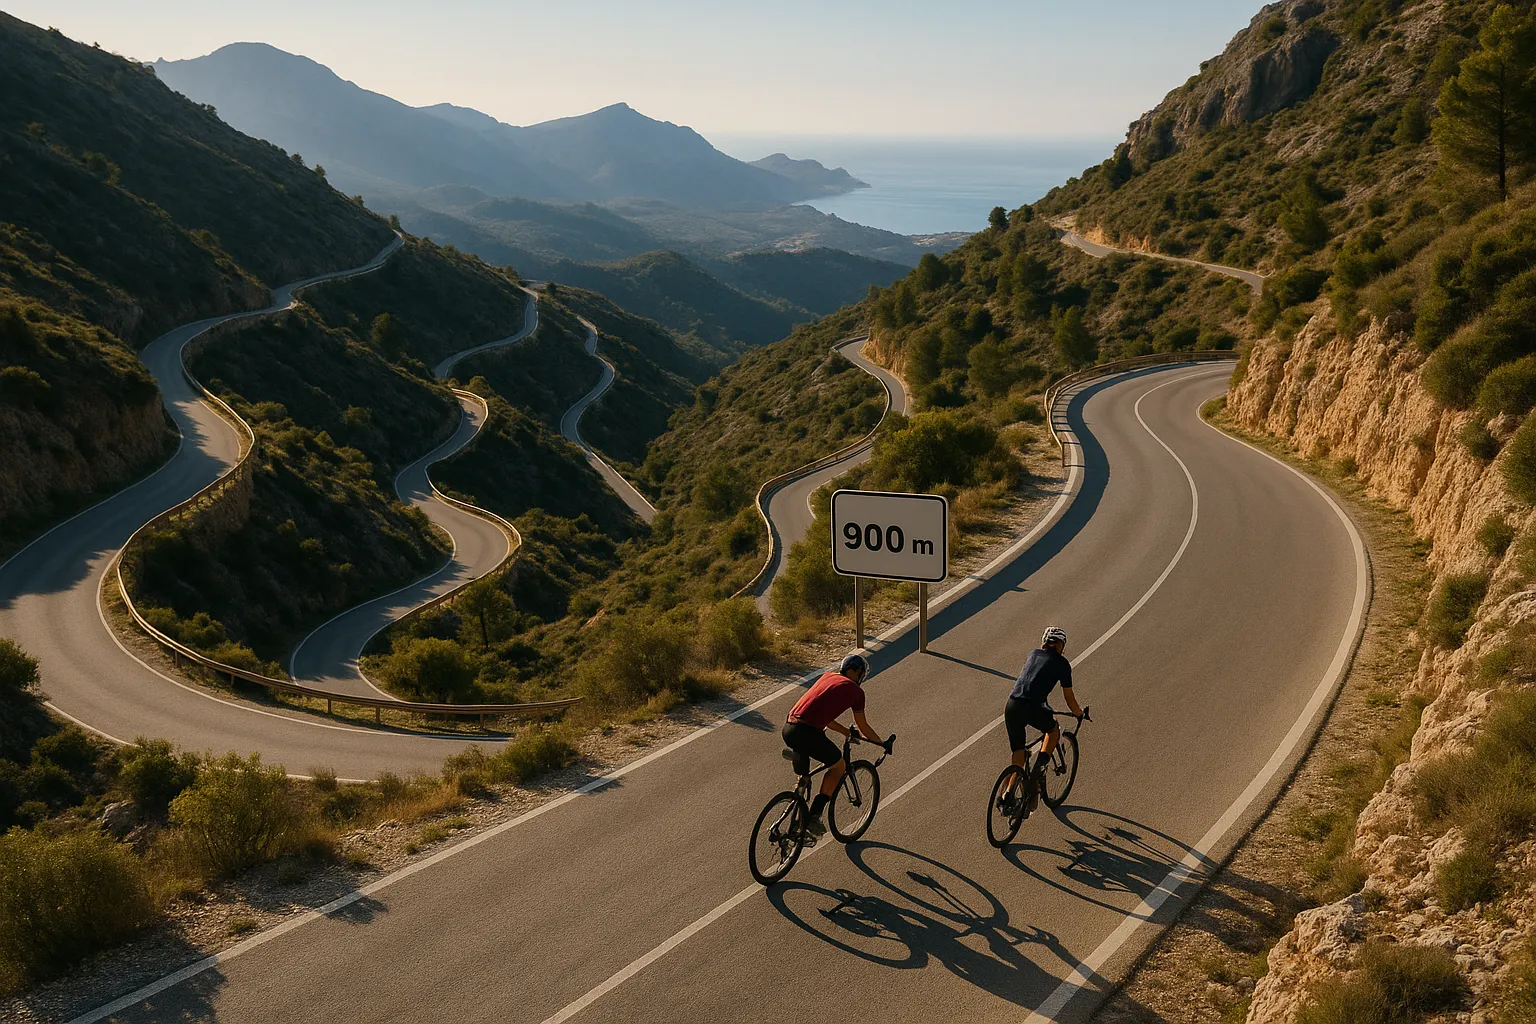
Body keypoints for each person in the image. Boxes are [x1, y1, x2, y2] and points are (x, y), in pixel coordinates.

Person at [783, 653, 891, 840]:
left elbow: (827, 719)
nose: (860, 679)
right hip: (807, 733)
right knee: (839, 766)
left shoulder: (827, 676)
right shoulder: (856, 692)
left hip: (789, 729)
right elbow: (863, 725)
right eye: (860, 675)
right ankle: (813, 816)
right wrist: (881, 743)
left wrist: (847, 732)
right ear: (855, 671)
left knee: (804, 775)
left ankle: (796, 807)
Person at [1004, 626, 1086, 814]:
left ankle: (1007, 796)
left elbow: (1033, 680)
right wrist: (1079, 713)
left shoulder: (1033, 654)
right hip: (1032, 706)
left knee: (1018, 754)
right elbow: (1069, 697)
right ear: (1061, 645)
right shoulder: (1063, 664)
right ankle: (1039, 769)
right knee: (1053, 730)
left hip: (1012, 704)